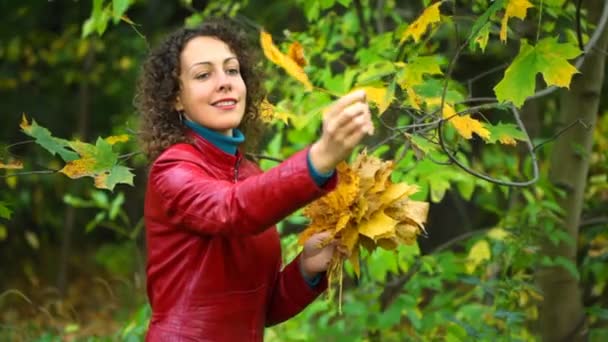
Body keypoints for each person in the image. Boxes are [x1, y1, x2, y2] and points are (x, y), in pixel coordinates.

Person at [136, 18, 373, 341]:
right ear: (176, 98)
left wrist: (306, 267)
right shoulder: (173, 170)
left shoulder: (247, 172)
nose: (225, 82)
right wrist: (319, 158)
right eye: (204, 74)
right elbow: (232, 209)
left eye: (232, 70)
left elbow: (262, 309)